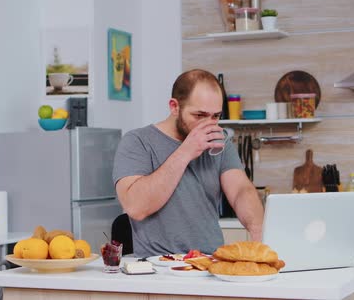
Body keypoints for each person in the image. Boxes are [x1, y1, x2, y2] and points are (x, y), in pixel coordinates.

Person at [112, 69, 263, 257]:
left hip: (208, 261)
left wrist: (257, 230)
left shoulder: (220, 140)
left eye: (215, 116)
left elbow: (241, 189)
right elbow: (136, 207)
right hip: (157, 265)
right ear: (174, 107)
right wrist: (186, 151)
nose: (209, 124)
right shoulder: (138, 141)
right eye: (199, 116)